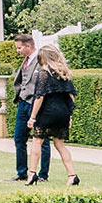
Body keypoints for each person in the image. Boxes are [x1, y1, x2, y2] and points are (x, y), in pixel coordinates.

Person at [27, 43, 81, 186]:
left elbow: (40, 97)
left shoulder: (44, 74)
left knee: (37, 141)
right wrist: (69, 115)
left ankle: (32, 173)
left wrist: (32, 117)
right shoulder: (64, 74)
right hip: (62, 112)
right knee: (60, 145)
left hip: (47, 112)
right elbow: (70, 97)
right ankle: (72, 175)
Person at [6, 32, 42, 183]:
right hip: (22, 103)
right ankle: (22, 172)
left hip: (36, 103)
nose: (18, 51)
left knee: (41, 140)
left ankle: (42, 174)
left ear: (29, 46)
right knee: (19, 138)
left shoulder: (41, 61)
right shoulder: (25, 62)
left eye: (19, 48)